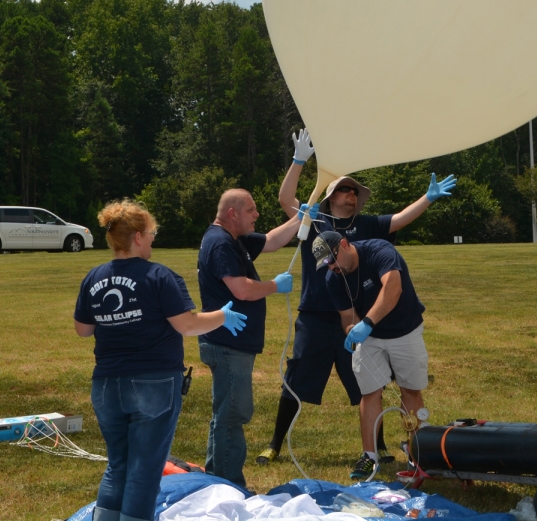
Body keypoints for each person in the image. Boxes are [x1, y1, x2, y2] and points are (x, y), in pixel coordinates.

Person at [256, 128, 454, 468]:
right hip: (316, 315)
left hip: (359, 319)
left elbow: (401, 219)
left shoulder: (369, 225)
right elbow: (284, 199)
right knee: (297, 378)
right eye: (344, 189)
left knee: (369, 384)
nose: (351, 194)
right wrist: (299, 161)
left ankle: (378, 449)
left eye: (354, 190)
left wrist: (428, 198)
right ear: (332, 196)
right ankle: (275, 444)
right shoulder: (315, 219)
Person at [74, 200, 248, 521]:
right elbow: (187, 325)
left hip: (106, 384)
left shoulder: (94, 277)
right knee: (145, 470)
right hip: (153, 382)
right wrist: (223, 316)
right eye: (152, 232)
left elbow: (83, 329)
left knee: (118, 465)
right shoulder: (160, 275)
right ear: (137, 237)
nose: (154, 238)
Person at [197, 188, 300, 488]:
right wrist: (273, 285)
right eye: (251, 210)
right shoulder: (220, 244)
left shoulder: (234, 239)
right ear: (233, 213)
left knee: (225, 413)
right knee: (234, 414)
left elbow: (271, 240)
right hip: (228, 344)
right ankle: (229, 485)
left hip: (231, 343)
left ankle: (216, 480)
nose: (257, 215)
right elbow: (241, 289)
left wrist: (301, 218)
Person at [314, 229, 430, 482]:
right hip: (370, 336)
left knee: (410, 390)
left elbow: (393, 289)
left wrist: (367, 322)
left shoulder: (379, 250)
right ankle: (370, 456)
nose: (331, 267)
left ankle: (416, 453)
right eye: (325, 264)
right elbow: (347, 316)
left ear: (344, 244)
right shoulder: (333, 279)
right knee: (370, 392)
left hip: (404, 330)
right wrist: (352, 332)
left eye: (332, 259)